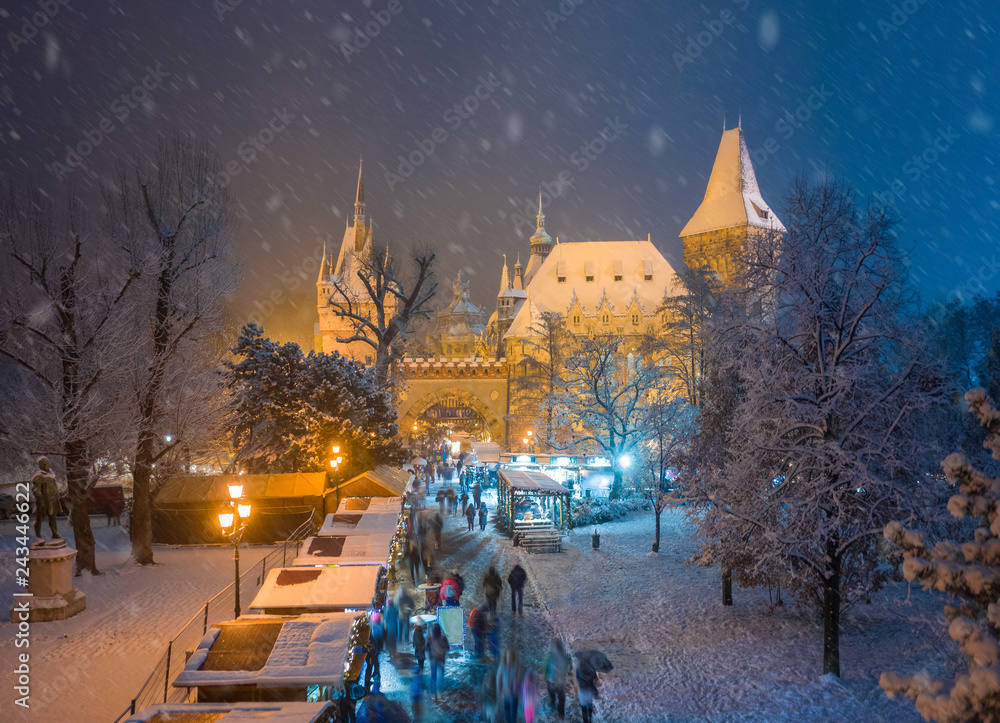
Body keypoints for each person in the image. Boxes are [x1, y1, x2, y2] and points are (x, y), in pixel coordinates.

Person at [31, 456, 61, 541]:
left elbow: (54, 487)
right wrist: (40, 500)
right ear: (41, 465)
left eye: (47, 463)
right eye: (44, 463)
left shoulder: (51, 474)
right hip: (43, 500)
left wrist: (56, 495)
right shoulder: (39, 475)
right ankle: (38, 536)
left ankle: (55, 534)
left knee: (53, 518)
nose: (46, 465)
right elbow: (36, 489)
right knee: (39, 518)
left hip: (52, 500)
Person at [545, 638, 572, 718]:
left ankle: (553, 706)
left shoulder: (551, 656)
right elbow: (568, 668)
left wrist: (550, 680)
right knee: (561, 697)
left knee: (552, 694)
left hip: (552, 680)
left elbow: (550, 669)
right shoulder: (565, 656)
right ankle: (561, 713)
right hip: (561, 681)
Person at [496, 649, 522, 723]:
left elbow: (519, 677)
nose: (509, 658)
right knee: (507, 708)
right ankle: (508, 720)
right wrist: (499, 689)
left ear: (513, 657)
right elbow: (499, 678)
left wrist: (517, 684)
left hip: (514, 691)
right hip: (505, 690)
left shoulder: (517, 666)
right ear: (506, 657)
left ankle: (512, 721)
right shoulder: (502, 665)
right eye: (508, 656)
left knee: (513, 709)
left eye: (511, 656)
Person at [427, 623, 450, 701]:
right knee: (440, 677)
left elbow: (426, 648)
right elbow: (448, 647)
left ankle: (433, 695)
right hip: (441, 659)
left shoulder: (430, 638)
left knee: (433, 677)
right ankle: (439, 695)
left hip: (433, 659)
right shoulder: (443, 638)